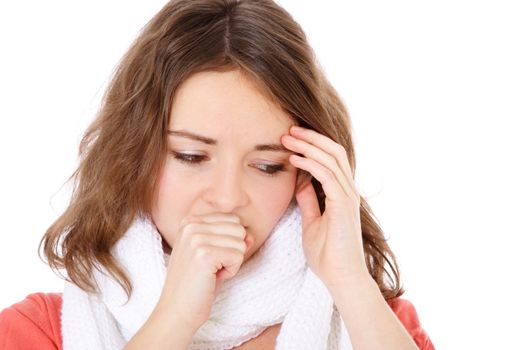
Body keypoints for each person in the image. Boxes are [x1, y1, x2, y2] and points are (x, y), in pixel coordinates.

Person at [0, 0, 435, 349]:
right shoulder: (37, 332)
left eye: (267, 166)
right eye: (191, 156)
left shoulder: (378, 327)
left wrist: (351, 282)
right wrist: (175, 318)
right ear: (133, 154)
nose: (227, 198)